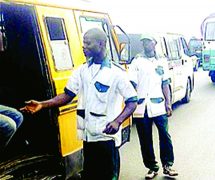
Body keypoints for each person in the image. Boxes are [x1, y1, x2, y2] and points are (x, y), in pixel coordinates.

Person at [20, 28, 138, 180]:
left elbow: (132, 102)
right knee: (90, 176)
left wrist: (117, 121)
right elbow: (67, 95)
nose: (84, 46)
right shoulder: (82, 70)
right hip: (88, 137)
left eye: (88, 43)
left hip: (106, 138)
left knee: (108, 176)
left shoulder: (117, 73)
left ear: (101, 44)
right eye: (83, 43)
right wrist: (43, 104)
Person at [128, 34, 178, 179]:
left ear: (154, 43)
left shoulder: (161, 62)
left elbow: (165, 83)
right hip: (141, 106)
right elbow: (132, 83)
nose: (146, 44)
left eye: (148, 41)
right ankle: (152, 167)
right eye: (144, 42)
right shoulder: (136, 62)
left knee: (165, 135)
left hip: (158, 105)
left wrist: (168, 103)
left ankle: (168, 165)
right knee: (145, 139)